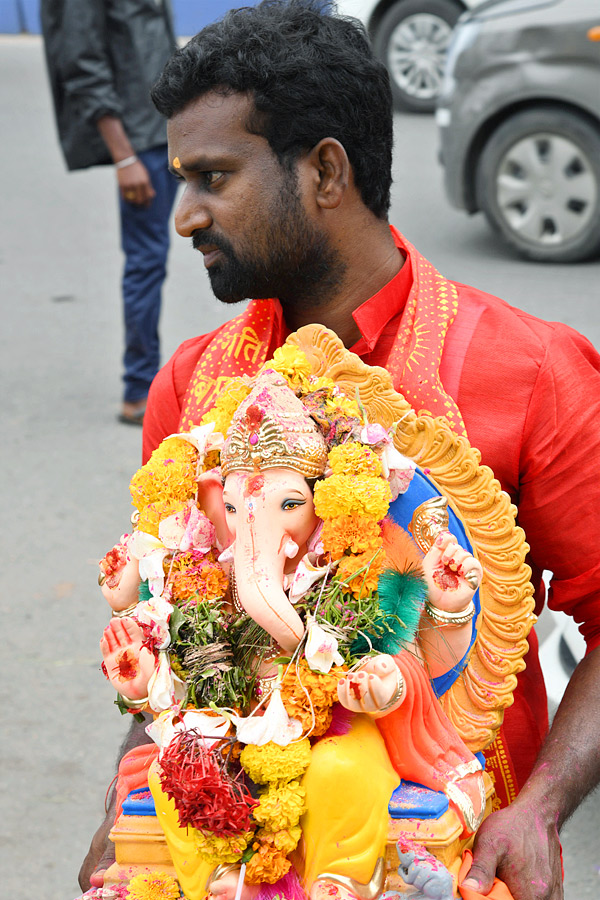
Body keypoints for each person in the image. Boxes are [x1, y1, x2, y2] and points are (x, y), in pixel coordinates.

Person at [80, 2, 600, 898]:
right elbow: (179, 639)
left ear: (325, 172)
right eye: (181, 179)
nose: (184, 217)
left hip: (450, 860)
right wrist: (122, 815)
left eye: (212, 177)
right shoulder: (193, 386)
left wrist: (541, 807)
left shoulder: (532, 371)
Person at [41, 0, 179, 425]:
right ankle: (139, 390)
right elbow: (81, 65)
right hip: (140, 143)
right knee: (146, 261)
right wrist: (123, 157)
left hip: (170, 128)